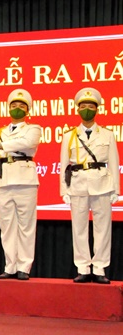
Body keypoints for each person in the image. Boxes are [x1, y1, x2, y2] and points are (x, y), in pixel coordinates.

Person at [60, 87, 119, 284]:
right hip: (77, 184)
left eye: (91, 106)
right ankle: (83, 267)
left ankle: (100, 267)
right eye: (83, 106)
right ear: (78, 109)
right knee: (79, 228)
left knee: (103, 228)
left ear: (97, 109)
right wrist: (64, 190)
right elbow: (64, 165)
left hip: (101, 184)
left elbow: (113, 162)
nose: (87, 109)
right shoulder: (69, 135)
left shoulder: (107, 134)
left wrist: (116, 189)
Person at [0, 89, 41, 281]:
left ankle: (24, 266)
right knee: (7, 226)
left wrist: (0, 146)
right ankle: (10, 265)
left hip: (25, 178)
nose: (17, 108)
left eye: (21, 106)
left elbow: (26, 143)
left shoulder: (33, 128)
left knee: (26, 226)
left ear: (28, 110)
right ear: (8, 108)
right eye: (14, 105)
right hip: (4, 179)